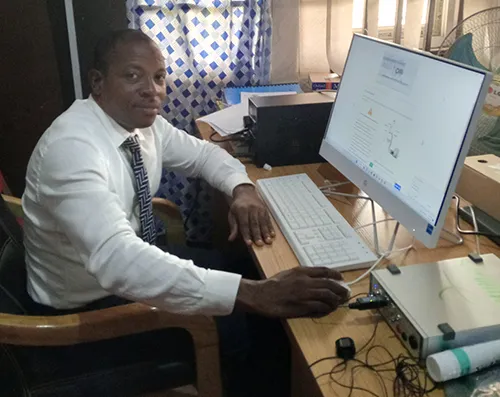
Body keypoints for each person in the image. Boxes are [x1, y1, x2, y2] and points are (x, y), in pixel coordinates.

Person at [22, 29, 348, 395]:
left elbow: (204, 155)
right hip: (87, 313)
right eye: (133, 76)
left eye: (159, 77)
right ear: (97, 82)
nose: (152, 90)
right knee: (258, 322)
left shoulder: (141, 125)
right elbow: (117, 261)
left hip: (128, 268)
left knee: (251, 271)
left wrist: (242, 190)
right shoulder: (73, 149)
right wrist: (255, 295)